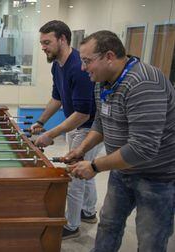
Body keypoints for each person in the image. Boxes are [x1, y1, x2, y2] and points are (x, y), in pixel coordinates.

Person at [66, 30, 175, 252]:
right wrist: (81, 149)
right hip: (122, 171)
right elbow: (101, 123)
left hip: (157, 178)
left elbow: (141, 149)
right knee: (108, 226)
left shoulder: (144, 83)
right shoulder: (102, 81)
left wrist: (95, 166)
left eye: (87, 61)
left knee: (150, 240)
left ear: (109, 56)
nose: (83, 68)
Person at [30, 20, 102, 239]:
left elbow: (82, 113)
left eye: (47, 42)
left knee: (76, 176)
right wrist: (41, 121)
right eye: (41, 42)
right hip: (77, 125)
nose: (43, 46)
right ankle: (88, 212)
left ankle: (71, 225)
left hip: (88, 128)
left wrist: (50, 135)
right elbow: (57, 98)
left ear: (62, 39)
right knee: (86, 170)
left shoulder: (78, 68)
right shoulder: (57, 65)